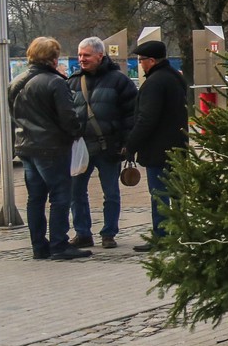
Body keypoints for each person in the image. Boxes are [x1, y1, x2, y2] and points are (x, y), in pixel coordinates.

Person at [7, 37, 88, 261]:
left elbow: (15, 116)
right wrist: (76, 131)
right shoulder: (55, 82)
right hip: (52, 147)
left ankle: (39, 246)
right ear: (53, 58)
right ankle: (59, 245)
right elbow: (68, 117)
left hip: (26, 146)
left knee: (35, 198)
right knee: (60, 196)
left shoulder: (17, 82)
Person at [68, 37, 137, 249]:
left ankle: (109, 233)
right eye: (80, 55)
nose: (82, 59)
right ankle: (83, 233)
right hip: (81, 148)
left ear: (100, 55)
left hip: (109, 147)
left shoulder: (119, 81)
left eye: (86, 55)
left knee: (111, 193)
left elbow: (131, 115)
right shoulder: (72, 81)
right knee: (76, 192)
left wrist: (127, 144)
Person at [124, 40, 189, 252]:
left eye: (141, 60)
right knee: (178, 193)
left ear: (151, 61)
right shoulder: (175, 78)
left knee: (159, 194)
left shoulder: (154, 83)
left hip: (157, 149)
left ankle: (161, 237)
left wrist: (131, 144)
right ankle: (181, 234)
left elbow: (147, 118)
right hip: (178, 146)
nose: (140, 64)